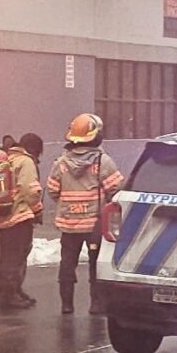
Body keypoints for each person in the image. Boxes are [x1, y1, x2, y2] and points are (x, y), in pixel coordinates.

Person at [47, 113, 124, 315]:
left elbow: (53, 190)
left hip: (68, 224)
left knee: (67, 264)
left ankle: (67, 305)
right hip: (93, 226)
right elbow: (116, 191)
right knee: (94, 265)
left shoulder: (61, 163)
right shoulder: (103, 162)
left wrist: (68, 205)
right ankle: (96, 304)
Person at [0, 133, 44, 309]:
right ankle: (11, 294)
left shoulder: (7, 159)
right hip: (20, 216)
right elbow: (29, 189)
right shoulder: (26, 161)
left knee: (8, 254)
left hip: (4, 215)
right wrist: (37, 210)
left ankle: (14, 290)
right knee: (16, 256)